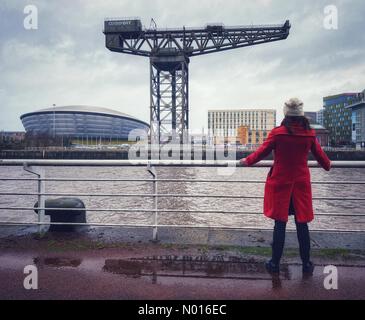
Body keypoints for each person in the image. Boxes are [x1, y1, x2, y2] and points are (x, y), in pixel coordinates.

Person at [240, 98, 331, 275]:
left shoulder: (278, 133)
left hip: (281, 184)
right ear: (301, 115)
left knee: (280, 224)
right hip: (301, 185)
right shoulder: (309, 133)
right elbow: (322, 158)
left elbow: (261, 152)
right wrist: (328, 165)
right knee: (302, 224)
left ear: (286, 114)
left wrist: (247, 161)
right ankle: (306, 264)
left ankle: (274, 263)